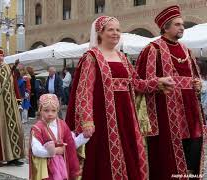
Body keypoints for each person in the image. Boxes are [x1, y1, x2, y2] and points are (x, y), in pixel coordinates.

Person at [65, 16, 175, 180]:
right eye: (111, 29)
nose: (116, 33)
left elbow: (136, 83)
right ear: (100, 33)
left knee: (129, 154)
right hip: (102, 120)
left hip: (126, 117)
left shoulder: (122, 57)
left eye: (118, 29)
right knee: (102, 160)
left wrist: (158, 82)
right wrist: (87, 120)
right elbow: (84, 92)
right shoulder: (91, 57)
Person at [136, 5, 205, 179]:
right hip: (165, 116)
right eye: (177, 24)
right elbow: (138, 83)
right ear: (165, 27)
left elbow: (195, 79)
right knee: (170, 159)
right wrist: (157, 83)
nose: (182, 27)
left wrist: (197, 85)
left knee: (193, 151)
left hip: (191, 114)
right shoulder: (152, 49)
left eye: (182, 24)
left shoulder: (186, 50)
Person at [29, 94, 88, 180]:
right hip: (46, 169)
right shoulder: (38, 128)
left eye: (53, 111)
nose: (50, 114)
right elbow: (36, 150)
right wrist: (54, 151)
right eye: (46, 110)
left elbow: (71, 144)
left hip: (62, 167)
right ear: (40, 110)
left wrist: (84, 136)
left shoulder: (62, 125)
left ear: (57, 111)